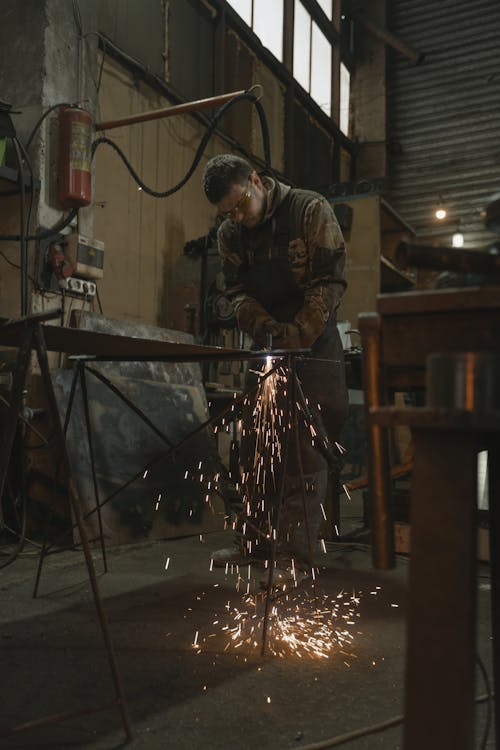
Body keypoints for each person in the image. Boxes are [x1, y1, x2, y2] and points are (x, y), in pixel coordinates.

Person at [202, 154, 348, 579]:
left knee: (304, 446)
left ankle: (295, 556)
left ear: (256, 180)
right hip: (266, 343)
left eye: (240, 204)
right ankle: (254, 543)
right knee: (256, 443)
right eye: (227, 212)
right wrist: (263, 326)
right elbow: (236, 292)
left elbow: (331, 280)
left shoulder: (309, 210)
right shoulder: (231, 233)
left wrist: (298, 333)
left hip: (313, 340)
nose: (237, 217)